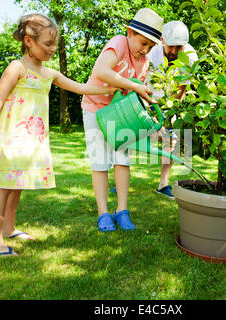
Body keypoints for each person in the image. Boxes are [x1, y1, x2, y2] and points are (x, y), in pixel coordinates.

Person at [0, 13, 119, 256]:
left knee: (16, 185)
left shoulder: (48, 74)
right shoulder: (16, 68)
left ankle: (9, 228)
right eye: (47, 44)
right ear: (28, 41)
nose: (52, 49)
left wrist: (115, 86)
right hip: (10, 139)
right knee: (3, 187)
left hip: (30, 142)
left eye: (55, 44)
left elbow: (82, 88)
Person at [81, 8, 163, 232]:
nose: (145, 50)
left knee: (122, 160)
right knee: (100, 162)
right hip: (95, 108)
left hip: (118, 116)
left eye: (150, 47)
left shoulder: (144, 62)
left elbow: (133, 97)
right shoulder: (118, 43)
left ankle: (122, 211)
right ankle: (103, 213)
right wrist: (134, 85)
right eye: (143, 43)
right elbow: (101, 71)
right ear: (130, 33)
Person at [146, 21, 198, 199]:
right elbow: (142, 83)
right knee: (131, 136)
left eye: (179, 47)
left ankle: (163, 185)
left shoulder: (190, 56)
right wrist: (153, 116)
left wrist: (170, 115)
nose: (175, 51)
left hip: (170, 101)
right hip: (147, 97)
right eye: (171, 47)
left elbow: (181, 88)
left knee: (171, 138)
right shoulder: (151, 52)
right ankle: (120, 177)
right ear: (162, 40)